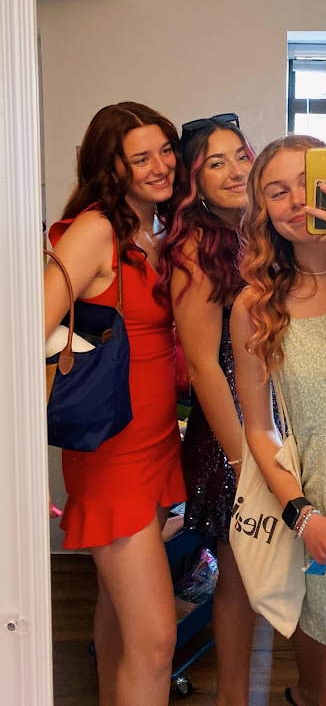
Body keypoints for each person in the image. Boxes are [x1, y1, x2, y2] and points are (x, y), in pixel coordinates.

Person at [44, 101, 187, 706]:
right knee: (156, 641)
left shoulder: (158, 229)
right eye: (141, 157)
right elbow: (29, 328)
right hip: (111, 454)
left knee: (117, 611)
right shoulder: (96, 229)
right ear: (113, 168)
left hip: (155, 442)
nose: (161, 166)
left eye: (165, 149)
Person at [230, 135, 326, 706]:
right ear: (263, 212)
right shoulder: (256, 306)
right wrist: (302, 516)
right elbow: (258, 430)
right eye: (276, 192)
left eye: (306, 185)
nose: (294, 203)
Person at [157, 113, 256, 706]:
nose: (234, 170)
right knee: (240, 577)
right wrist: (245, 460)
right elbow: (202, 367)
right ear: (193, 181)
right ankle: (235, 699)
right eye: (213, 163)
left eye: (239, 155)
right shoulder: (198, 244)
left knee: (264, 568)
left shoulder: (258, 231)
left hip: (269, 420)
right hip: (229, 435)